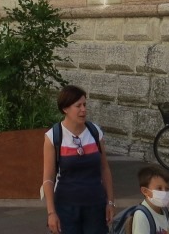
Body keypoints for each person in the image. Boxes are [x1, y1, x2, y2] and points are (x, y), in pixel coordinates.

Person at [42, 85, 115, 234]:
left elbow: (104, 168)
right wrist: (51, 213)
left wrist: (110, 202)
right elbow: (48, 179)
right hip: (66, 208)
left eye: (85, 105)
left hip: (95, 206)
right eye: (78, 106)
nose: (83, 109)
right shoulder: (53, 136)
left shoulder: (95, 132)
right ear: (65, 109)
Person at [130, 166, 169, 234]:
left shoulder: (165, 211)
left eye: (167, 189)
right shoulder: (141, 215)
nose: (164, 193)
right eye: (159, 188)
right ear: (145, 191)